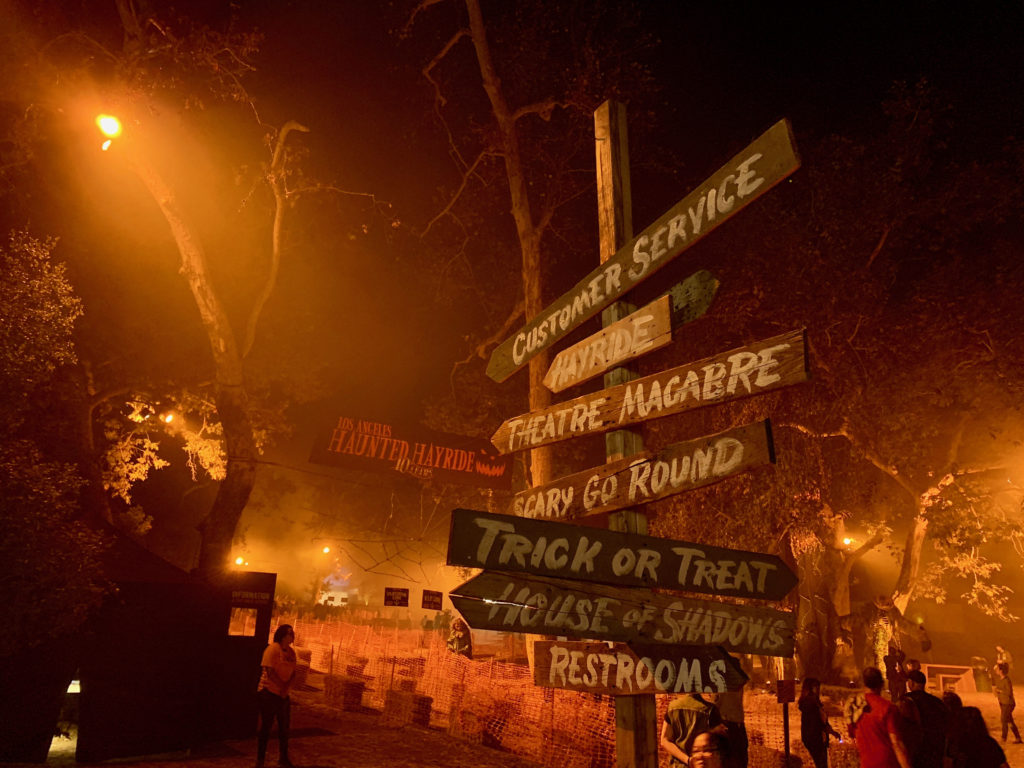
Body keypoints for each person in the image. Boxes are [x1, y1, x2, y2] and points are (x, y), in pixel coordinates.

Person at [850, 666, 912, 768]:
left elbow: (853, 735)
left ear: (864, 683)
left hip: (866, 764)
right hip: (887, 764)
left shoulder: (855, 707)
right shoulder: (888, 708)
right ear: (881, 684)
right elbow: (896, 743)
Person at [257, 624, 297, 768]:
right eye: (288, 633)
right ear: (282, 635)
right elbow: (269, 671)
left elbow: (294, 672)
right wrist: (281, 686)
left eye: (292, 634)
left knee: (284, 729)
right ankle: (260, 760)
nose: (291, 636)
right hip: (269, 693)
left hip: (283, 695)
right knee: (266, 727)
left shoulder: (291, 653)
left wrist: (286, 688)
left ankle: (283, 758)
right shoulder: (272, 649)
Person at [661, 692, 728, 767]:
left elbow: (664, 740)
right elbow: (720, 740)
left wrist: (688, 760)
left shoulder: (672, 707)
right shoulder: (710, 710)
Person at [903, 670, 947, 768]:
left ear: (911, 683)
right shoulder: (938, 702)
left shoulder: (906, 701)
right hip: (935, 752)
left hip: (916, 752)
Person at [799, 678, 842, 768]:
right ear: (811, 688)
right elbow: (816, 723)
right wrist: (829, 731)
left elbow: (822, 720)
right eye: (816, 687)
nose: (818, 689)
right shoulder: (810, 704)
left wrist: (830, 731)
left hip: (818, 738)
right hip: (814, 739)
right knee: (821, 764)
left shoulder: (815, 702)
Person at [993, 661, 1022, 744]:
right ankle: (1018, 738)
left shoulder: (1006, 680)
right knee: (1009, 721)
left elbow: (1008, 692)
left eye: (998, 669)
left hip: (1008, 704)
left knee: (1004, 720)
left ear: (1001, 671)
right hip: (1003, 703)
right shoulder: (1001, 679)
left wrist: (999, 691)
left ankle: (1003, 737)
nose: (996, 671)